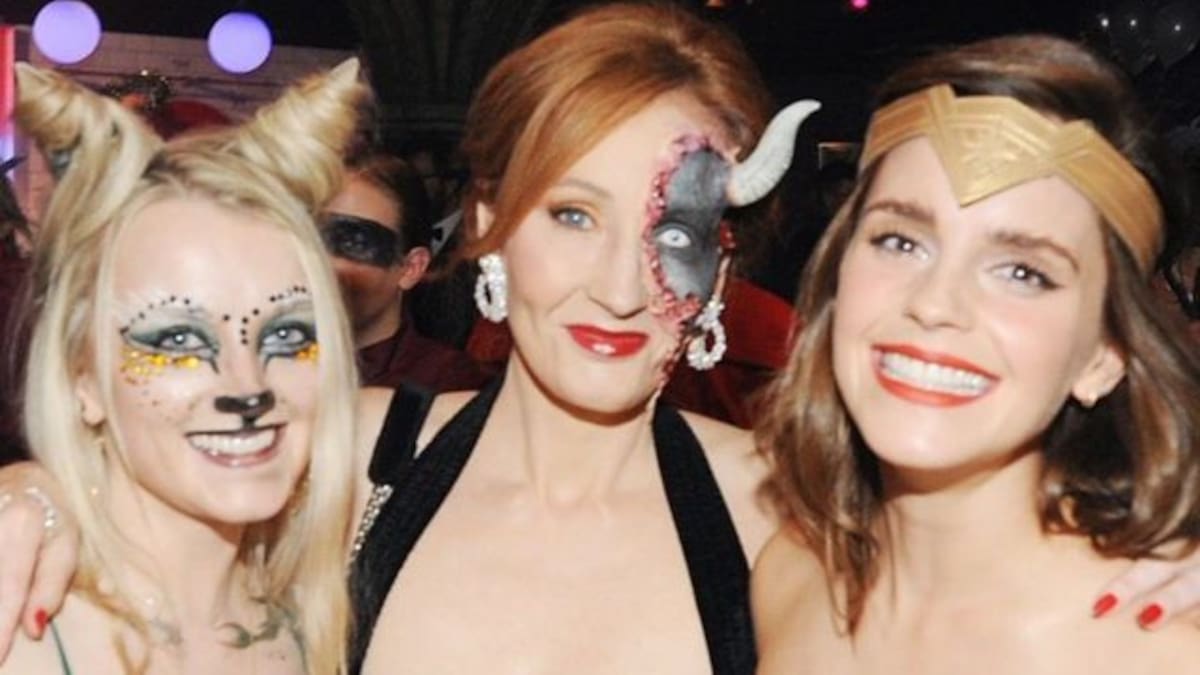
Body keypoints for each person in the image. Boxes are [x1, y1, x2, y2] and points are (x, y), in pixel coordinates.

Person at [2, 9, 1200, 675]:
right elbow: (151, 455)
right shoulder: (346, 460)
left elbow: (994, 568)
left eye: (673, 232)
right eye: (571, 215)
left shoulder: (786, 519)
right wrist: (38, 495)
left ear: (724, 254)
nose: (622, 287)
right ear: (487, 224)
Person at [752, 35, 1200, 674]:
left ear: (1105, 355)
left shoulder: (1159, 651)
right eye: (901, 241)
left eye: (1023, 272)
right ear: (836, 276)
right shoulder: (790, 581)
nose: (936, 303)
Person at [2, 59, 362, 673]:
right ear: (81, 375)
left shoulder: (318, 615)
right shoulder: (19, 628)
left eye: (287, 334)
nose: (248, 388)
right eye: (177, 339)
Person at [320, 150, 488, 391]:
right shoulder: (271, 366)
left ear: (411, 268)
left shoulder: (449, 386)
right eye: (312, 239)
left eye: (354, 242)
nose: (324, 261)